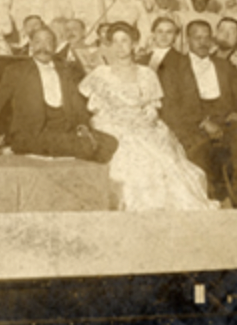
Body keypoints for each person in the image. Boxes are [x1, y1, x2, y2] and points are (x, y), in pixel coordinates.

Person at [79, 23, 216, 211]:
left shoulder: (147, 73)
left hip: (143, 124)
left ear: (134, 44)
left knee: (159, 157)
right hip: (111, 125)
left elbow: (152, 107)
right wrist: (119, 120)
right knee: (131, 151)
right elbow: (94, 108)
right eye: (115, 42)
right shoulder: (100, 74)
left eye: (125, 41)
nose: (120, 47)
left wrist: (144, 119)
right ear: (109, 45)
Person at [0, 26, 117, 163]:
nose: (43, 47)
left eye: (48, 42)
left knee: (110, 142)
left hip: (65, 131)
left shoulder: (66, 71)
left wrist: (83, 126)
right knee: (85, 146)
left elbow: (78, 107)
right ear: (31, 45)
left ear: (55, 46)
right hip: (30, 135)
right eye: (38, 42)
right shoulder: (16, 71)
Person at [157, 20, 237, 206]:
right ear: (187, 39)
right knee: (200, 149)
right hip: (191, 123)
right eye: (197, 38)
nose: (203, 42)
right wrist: (203, 121)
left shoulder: (224, 66)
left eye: (207, 37)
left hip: (225, 119)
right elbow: (170, 106)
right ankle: (210, 196)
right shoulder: (173, 67)